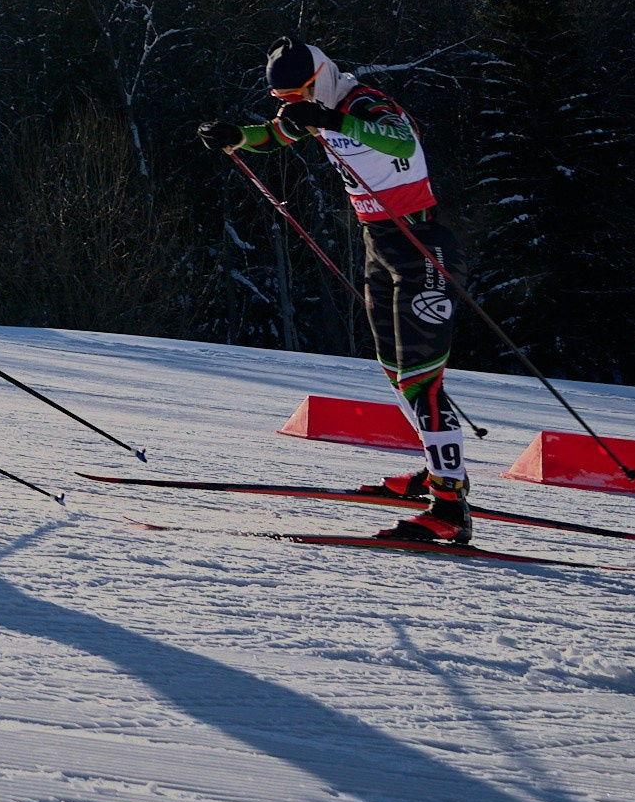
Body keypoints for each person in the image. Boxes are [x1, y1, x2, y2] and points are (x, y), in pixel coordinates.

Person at [201, 36, 474, 544]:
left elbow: (399, 142)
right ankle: (437, 472)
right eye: (283, 100)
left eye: (297, 96)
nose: (291, 107)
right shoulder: (312, 109)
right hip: (381, 247)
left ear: (319, 79)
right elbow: (273, 136)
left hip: (423, 247)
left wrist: (330, 121)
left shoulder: (363, 104)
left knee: (420, 380)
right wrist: (234, 136)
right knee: (397, 372)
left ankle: (450, 509)